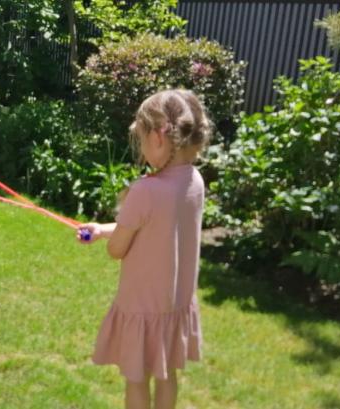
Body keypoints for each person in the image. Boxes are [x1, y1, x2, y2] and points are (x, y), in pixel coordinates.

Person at [76, 89, 212, 409]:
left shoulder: (145, 190)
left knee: (136, 379)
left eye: (140, 138)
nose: (140, 147)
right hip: (174, 304)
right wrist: (101, 230)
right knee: (166, 373)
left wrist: (110, 239)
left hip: (142, 307)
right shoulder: (194, 181)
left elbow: (118, 249)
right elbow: (152, 228)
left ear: (158, 137)